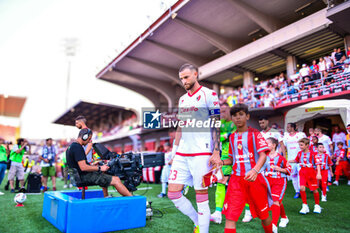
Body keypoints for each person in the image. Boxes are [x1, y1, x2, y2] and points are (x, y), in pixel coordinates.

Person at [167, 63, 221, 233]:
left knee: (201, 195)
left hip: (201, 153)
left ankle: (203, 230)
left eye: (186, 77)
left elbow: (216, 124)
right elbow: (180, 127)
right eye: (181, 78)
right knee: (173, 193)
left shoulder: (209, 95)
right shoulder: (183, 99)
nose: (184, 81)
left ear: (196, 74)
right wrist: (174, 152)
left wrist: (216, 151)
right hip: (182, 153)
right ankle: (198, 220)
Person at [221, 104, 273, 233]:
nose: (238, 118)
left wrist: (255, 170)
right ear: (232, 118)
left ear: (247, 116)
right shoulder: (232, 137)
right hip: (236, 181)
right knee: (230, 217)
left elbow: (263, 155)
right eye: (235, 116)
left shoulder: (255, 134)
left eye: (241, 115)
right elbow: (233, 160)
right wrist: (221, 162)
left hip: (254, 180)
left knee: (264, 215)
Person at [66, 128, 132, 197]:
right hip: (83, 177)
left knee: (104, 173)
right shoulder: (77, 147)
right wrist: (100, 168)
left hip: (78, 177)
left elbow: (78, 165)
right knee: (116, 179)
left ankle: (106, 197)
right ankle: (133, 200)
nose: (89, 141)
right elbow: (83, 167)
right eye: (89, 139)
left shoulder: (71, 147)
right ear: (84, 137)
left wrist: (93, 165)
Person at [211, 103, 236, 224]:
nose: (222, 114)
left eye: (224, 111)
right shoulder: (220, 123)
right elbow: (216, 137)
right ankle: (218, 212)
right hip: (225, 156)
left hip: (238, 157)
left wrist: (225, 135)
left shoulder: (235, 122)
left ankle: (248, 211)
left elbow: (235, 136)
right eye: (220, 112)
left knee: (242, 185)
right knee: (221, 182)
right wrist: (224, 135)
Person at [288, 138, 322, 214]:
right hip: (302, 171)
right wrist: (288, 160)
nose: (300, 146)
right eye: (299, 145)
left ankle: (317, 205)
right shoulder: (299, 153)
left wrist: (319, 173)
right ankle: (305, 205)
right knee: (302, 188)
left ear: (307, 145)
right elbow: (296, 160)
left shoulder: (313, 154)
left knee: (314, 189)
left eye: (302, 145)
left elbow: (318, 164)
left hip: (311, 172)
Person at [265, 137, 291, 230]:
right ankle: (284, 218)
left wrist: (280, 169)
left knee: (275, 200)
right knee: (275, 201)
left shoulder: (281, 158)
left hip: (279, 181)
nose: (265, 144)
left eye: (267, 143)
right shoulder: (264, 157)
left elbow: (289, 169)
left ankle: (274, 226)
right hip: (268, 181)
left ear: (274, 145)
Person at [282, 123, 307, 198]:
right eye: (287, 127)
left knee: (301, 176)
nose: (287, 128)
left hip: (300, 160)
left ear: (293, 128)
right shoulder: (286, 137)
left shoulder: (301, 135)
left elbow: (307, 144)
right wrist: (284, 158)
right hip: (290, 160)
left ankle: (301, 190)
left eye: (289, 127)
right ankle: (297, 191)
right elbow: (284, 147)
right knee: (293, 176)